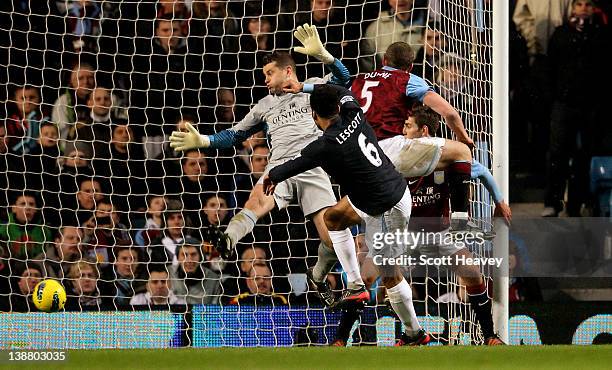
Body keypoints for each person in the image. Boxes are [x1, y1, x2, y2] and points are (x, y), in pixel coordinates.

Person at [169, 25, 359, 306]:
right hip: (279, 167)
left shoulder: (314, 88)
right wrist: (205, 140)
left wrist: (326, 56)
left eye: (270, 73)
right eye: (263, 75)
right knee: (255, 202)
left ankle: (317, 275)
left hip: (312, 166)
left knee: (331, 240)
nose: (266, 80)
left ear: (288, 72)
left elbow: (345, 80)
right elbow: (235, 134)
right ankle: (228, 239)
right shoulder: (264, 105)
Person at [262, 83, 429, 345]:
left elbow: (294, 164)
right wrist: (303, 86)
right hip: (382, 191)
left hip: (387, 206)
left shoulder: (324, 145)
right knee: (333, 219)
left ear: (314, 116)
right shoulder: (354, 112)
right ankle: (355, 285)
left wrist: (272, 176)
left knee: (389, 273)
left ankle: (414, 333)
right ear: (338, 107)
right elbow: (341, 87)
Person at [332, 106, 508, 346]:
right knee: (366, 277)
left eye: (408, 126)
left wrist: (499, 201)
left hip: (437, 232)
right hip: (398, 231)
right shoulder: (395, 156)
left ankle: (490, 335)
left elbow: (482, 172)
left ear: (423, 130)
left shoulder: (445, 158)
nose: (403, 132)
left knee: (472, 272)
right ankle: (341, 339)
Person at [350, 41, 474, 230]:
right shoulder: (406, 79)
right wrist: (464, 138)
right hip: (389, 151)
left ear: (384, 60)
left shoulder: (358, 81)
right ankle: (460, 222)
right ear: (410, 67)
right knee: (461, 152)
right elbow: (449, 114)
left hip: (360, 157)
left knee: (338, 219)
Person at [360, 0, 426, 72]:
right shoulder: (375, 28)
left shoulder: (427, 25)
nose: (400, 0)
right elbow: (367, 61)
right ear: (389, 1)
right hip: (384, 81)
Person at [0, 192, 52, 260]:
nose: (27, 208)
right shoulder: (3, 230)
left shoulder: (45, 232)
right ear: (14, 209)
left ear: (36, 209)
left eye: (31, 204)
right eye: (23, 204)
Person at [169, 238, 222, 304]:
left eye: (193, 254)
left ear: (200, 257)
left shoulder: (214, 279)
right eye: (184, 255)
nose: (189, 260)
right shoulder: (168, 273)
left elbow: (215, 309)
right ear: (178, 258)